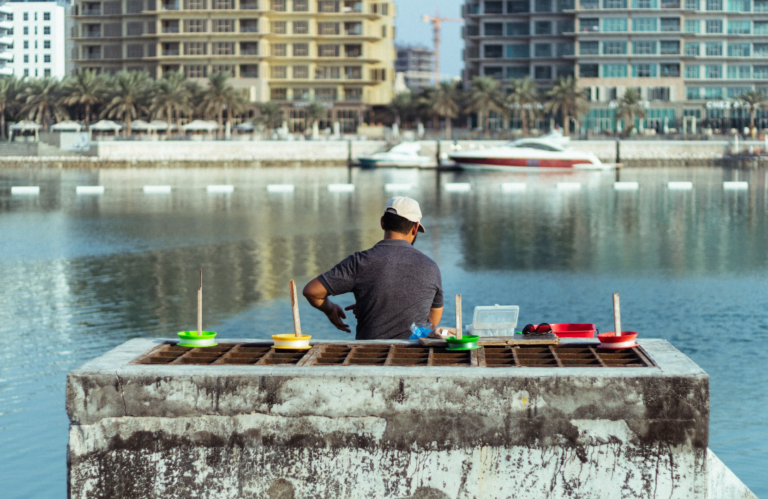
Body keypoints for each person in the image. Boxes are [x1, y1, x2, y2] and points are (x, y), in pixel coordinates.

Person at [302, 196, 443, 340]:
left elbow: (311, 291)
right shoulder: (431, 267)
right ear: (415, 228)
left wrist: (330, 309)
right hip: (414, 356)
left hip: (368, 355)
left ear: (382, 222)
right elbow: (432, 322)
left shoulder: (359, 261)